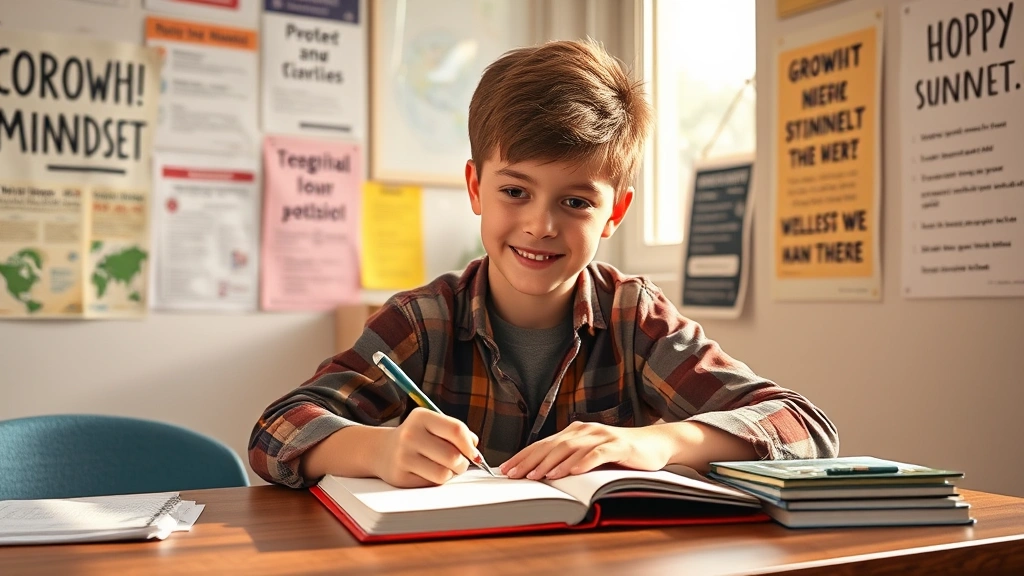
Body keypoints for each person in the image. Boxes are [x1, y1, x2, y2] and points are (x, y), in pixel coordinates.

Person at [249, 39, 838, 489]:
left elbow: (807, 429)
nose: (541, 225)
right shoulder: (423, 319)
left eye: (576, 202)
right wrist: (375, 451)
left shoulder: (635, 317)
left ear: (615, 212)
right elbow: (275, 430)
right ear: (476, 188)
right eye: (515, 192)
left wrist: (658, 443)